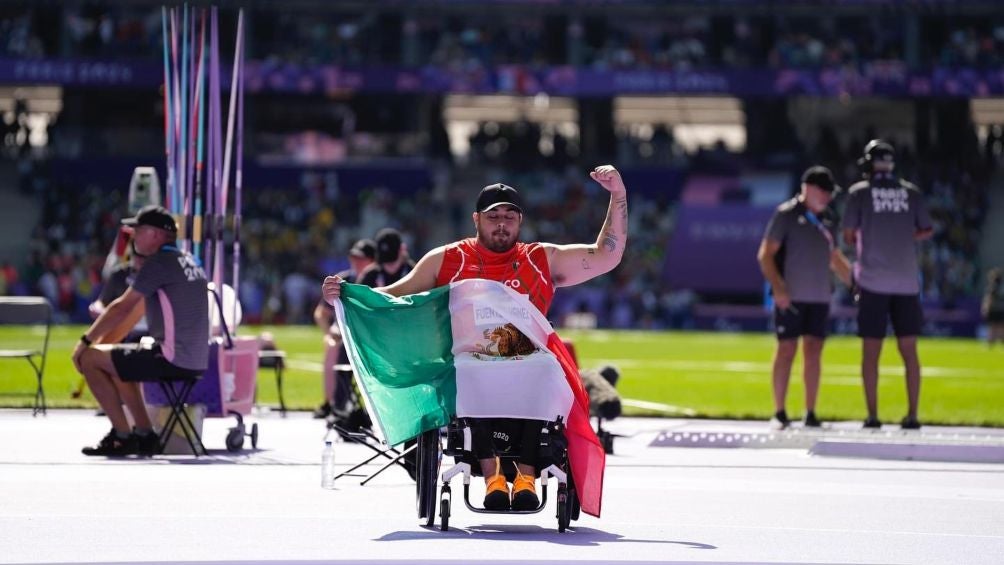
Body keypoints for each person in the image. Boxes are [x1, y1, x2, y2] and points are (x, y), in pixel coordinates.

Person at [322, 165, 627, 511]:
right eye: (493, 215)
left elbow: (607, 254)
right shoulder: (448, 259)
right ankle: (493, 476)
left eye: (510, 216)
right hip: (471, 362)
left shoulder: (540, 258)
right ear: (476, 219)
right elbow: (395, 297)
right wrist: (347, 295)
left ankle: (526, 477)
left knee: (548, 369)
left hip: (527, 361)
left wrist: (618, 194)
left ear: (520, 221)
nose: (502, 223)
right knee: (467, 371)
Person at [72, 205, 209, 456]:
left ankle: (123, 436)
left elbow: (122, 308)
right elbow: (133, 313)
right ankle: (144, 434)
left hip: (172, 358)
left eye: (138, 230)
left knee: (91, 359)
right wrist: (107, 343)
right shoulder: (189, 260)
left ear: (156, 234)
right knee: (117, 362)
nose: (132, 235)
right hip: (195, 358)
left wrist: (85, 342)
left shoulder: (158, 264)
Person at [842, 140, 933, 430]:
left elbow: (848, 235)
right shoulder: (911, 193)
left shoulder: (859, 193)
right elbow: (926, 229)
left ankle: (872, 416)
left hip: (872, 282)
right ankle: (913, 415)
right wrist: (901, 237)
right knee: (909, 350)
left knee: (871, 352)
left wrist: (875, 236)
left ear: (869, 164)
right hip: (906, 282)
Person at [757, 166, 852, 429]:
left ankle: (810, 412)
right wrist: (778, 288)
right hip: (791, 296)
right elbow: (765, 254)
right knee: (786, 349)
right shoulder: (786, 215)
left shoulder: (829, 219)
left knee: (814, 351)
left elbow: (834, 257)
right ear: (808, 188)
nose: (828, 198)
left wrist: (855, 283)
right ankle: (779, 411)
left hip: (820, 296)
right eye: (824, 192)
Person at [311, 238, 376, 419]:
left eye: (361, 258)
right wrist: (329, 332)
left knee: (338, 347)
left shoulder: (377, 280)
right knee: (332, 345)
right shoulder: (343, 279)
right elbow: (321, 312)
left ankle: (338, 403)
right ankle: (332, 403)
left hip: (365, 336)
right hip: (341, 333)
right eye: (353, 257)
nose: (356, 261)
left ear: (372, 260)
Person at [981, 267, 1004, 347]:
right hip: (1001, 310)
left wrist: (985, 308)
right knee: (1001, 327)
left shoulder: (992, 287)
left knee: (992, 327)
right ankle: (1001, 342)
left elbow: (989, 299)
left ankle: (990, 343)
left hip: (993, 309)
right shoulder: (1002, 287)